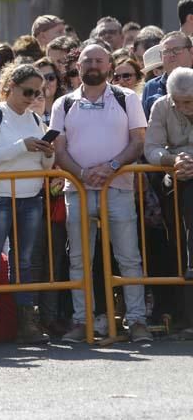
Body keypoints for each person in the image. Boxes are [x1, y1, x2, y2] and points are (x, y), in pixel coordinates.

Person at [49, 43, 152, 343]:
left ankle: (136, 321)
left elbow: (138, 141)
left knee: (129, 258)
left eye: (98, 60)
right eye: (87, 61)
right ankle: (83, 322)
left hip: (118, 188)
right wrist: (82, 174)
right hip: (77, 190)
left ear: (109, 65)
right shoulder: (63, 104)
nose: (93, 65)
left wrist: (111, 167)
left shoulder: (127, 98)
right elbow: (59, 148)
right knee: (80, 260)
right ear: (77, 67)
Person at [0, 64, 54, 347]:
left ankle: (27, 323)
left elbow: (44, 164)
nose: (31, 97)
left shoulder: (35, 119)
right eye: (27, 91)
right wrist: (23, 145)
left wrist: (48, 153)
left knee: (26, 262)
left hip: (30, 197)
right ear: (10, 87)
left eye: (37, 92)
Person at [144, 67, 193, 280]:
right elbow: (151, 148)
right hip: (174, 171)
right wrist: (174, 161)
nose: (182, 107)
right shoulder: (161, 106)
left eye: (188, 101)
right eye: (177, 101)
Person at [142, 32, 193, 118]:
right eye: (166, 51)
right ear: (161, 57)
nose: (171, 55)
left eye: (177, 49)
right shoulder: (151, 86)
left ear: (191, 52)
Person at [35, 58, 65, 125]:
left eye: (51, 77)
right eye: (42, 78)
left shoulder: (66, 105)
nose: (46, 82)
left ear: (57, 81)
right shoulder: (30, 108)